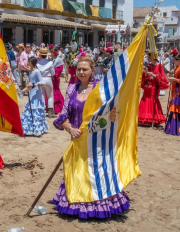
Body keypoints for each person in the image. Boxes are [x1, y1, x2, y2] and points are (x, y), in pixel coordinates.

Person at [52, 56, 130, 219]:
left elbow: (112, 112)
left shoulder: (100, 88)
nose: (81, 72)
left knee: (97, 170)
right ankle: (77, 201)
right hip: (77, 139)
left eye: (85, 69)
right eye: (79, 69)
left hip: (97, 140)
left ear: (92, 70)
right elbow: (64, 113)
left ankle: (99, 203)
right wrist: (70, 129)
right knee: (78, 170)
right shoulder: (72, 88)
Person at [138, 54, 169, 126]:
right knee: (145, 98)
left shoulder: (159, 66)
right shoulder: (149, 65)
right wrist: (145, 73)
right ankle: (144, 118)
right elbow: (145, 75)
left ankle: (153, 118)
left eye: (149, 57)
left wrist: (154, 75)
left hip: (154, 86)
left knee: (152, 99)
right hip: (148, 85)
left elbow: (162, 76)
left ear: (152, 58)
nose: (147, 59)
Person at [20, 57, 49, 136]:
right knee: (30, 109)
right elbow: (30, 83)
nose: (27, 63)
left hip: (37, 92)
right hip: (32, 92)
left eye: (28, 61)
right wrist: (24, 89)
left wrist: (34, 85)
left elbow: (43, 83)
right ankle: (30, 129)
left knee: (35, 109)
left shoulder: (37, 72)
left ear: (31, 62)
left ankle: (37, 129)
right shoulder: (30, 72)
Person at [37, 48, 55, 118]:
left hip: (41, 79)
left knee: (42, 96)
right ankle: (50, 112)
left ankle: (42, 111)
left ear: (40, 55)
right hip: (48, 78)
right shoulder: (50, 63)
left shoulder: (38, 63)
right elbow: (53, 73)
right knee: (50, 95)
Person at [51, 46, 65, 114]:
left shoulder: (59, 60)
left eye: (51, 53)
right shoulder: (51, 59)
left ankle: (58, 107)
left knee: (56, 91)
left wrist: (53, 70)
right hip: (51, 77)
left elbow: (60, 69)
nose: (50, 54)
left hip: (56, 78)